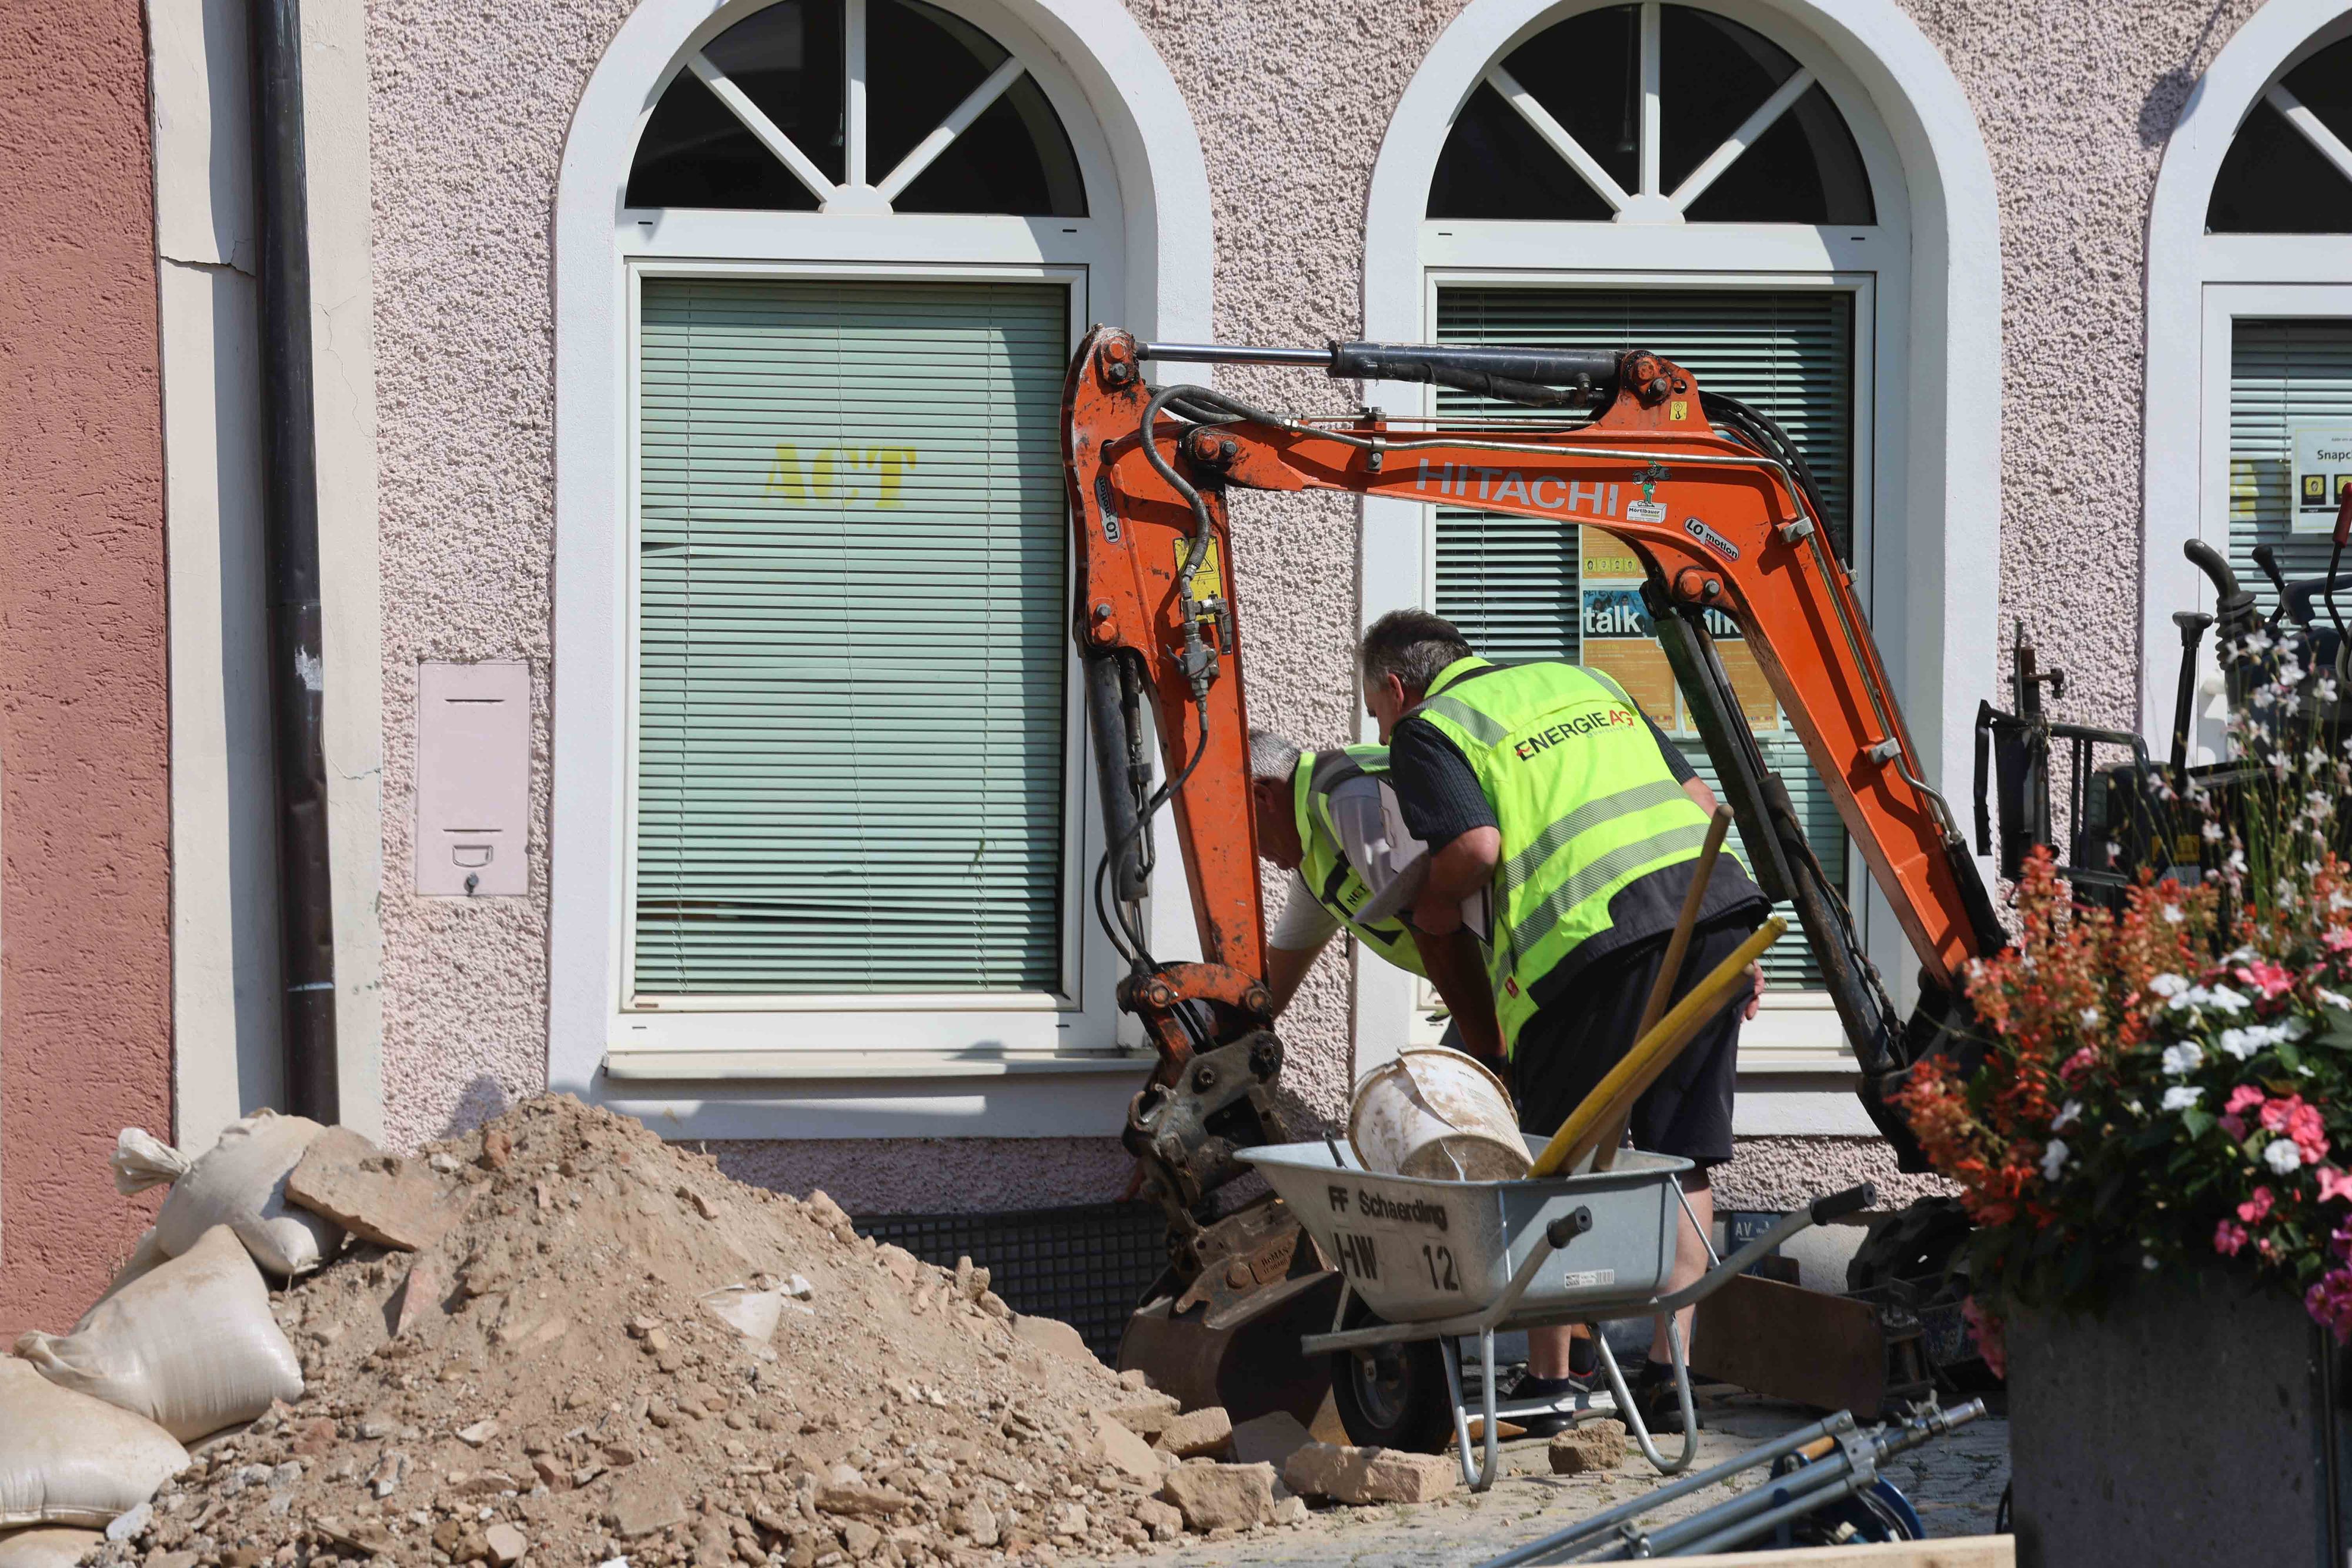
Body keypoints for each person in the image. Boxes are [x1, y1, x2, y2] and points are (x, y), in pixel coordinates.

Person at [1364, 609, 1768, 1435]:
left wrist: (1432, 901)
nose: (1381, 725)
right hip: (1713, 907)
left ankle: (1551, 1381)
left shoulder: (1429, 728)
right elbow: (1695, 799)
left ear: (1396, 689)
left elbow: (1474, 847)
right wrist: (1735, 947)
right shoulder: (1586, 680)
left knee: (1550, 1156)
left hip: (1593, 942)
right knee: (1682, 1147)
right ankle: (1668, 1372)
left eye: (1377, 710)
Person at [1245, 728, 1498, 1041]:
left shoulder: (1347, 798)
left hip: (1516, 976)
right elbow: (1264, 994)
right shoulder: (1313, 865)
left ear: (1262, 796)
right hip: (1486, 986)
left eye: (1242, 832)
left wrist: (1489, 1053)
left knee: (1471, 1082)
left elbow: (1436, 930)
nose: (1252, 852)